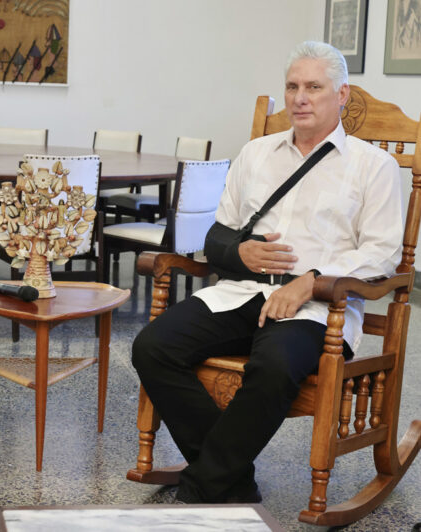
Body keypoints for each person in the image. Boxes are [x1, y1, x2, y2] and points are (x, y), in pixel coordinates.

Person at [131, 41, 403, 504]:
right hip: (240, 293)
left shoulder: (373, 166)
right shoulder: (256, 153)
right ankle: (227, 475)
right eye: (293, 86)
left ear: (342, 95)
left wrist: (310, 282)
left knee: (274, 366)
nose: (300, 97)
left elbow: (382, 254)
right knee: (153, 347)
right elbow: (219, 234)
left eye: (314, 87)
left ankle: (206, 483)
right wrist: (244, 255)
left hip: (319, 308)